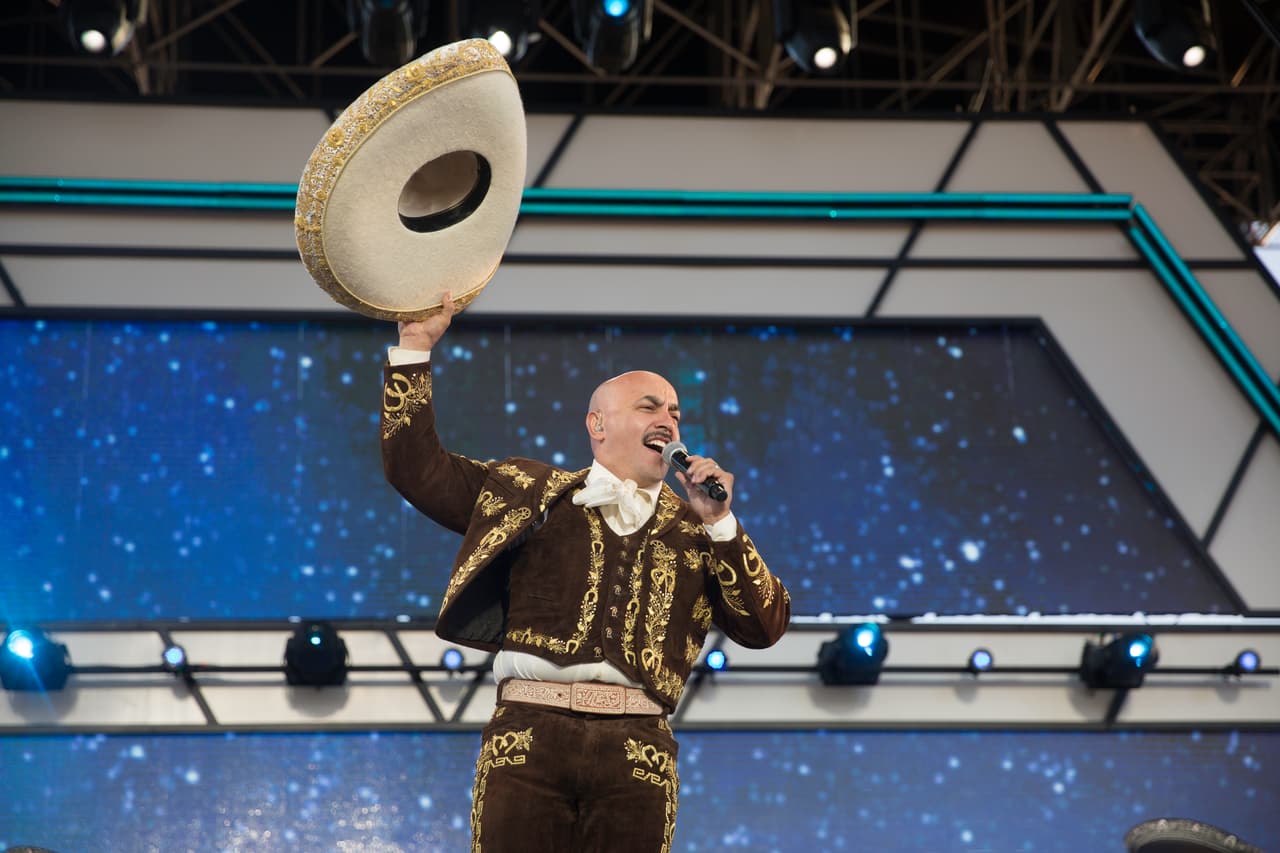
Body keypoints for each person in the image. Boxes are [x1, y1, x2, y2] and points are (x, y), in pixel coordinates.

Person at [381, 294, 790, 852]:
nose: (668, 421)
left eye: (675, 413)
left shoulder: (699, 531)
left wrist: (720, 522)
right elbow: (417, 469)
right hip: (529, 735)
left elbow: (765, 626)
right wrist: (414, 348)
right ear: (598, 424)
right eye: (650, 407)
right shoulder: (532, 492)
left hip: (637, 751)